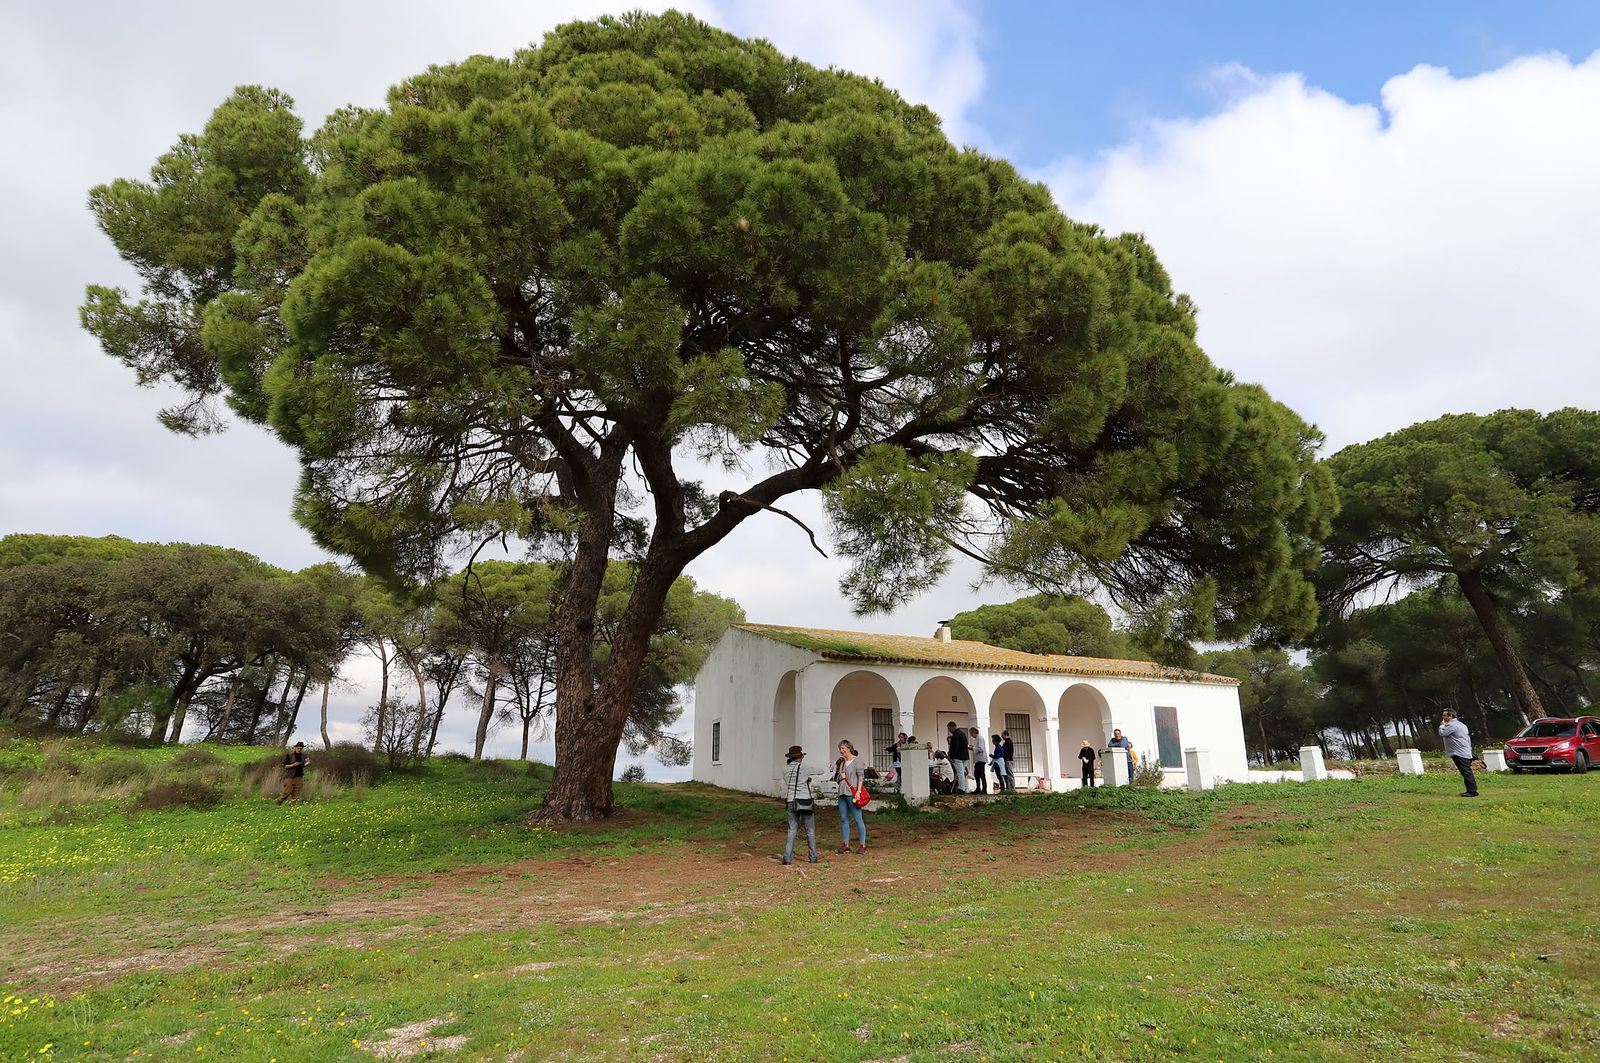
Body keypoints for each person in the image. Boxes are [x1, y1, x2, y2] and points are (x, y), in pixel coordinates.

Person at [781, 744, 818, 864]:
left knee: (791, 830)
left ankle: (787, 858)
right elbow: (820, 771)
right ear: (799, 757)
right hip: (804, 801)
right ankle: (813, 857)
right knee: (810, 831)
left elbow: (790, 781)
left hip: (791, 800)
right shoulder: (804, 768)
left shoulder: (784, 769)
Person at [833, 740, 868, 853]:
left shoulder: (857, 761)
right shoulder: (842, 762)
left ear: (849, 748)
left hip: (852, 793)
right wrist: (840, 777)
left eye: (843, 748)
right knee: (844, 819)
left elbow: (861, 777)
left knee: (858, 818)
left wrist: (858, 791)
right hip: (842, 793)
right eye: (840, 748)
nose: (841, 751)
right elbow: (838, 778)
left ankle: (862, 844)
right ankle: (845, 844)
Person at [1439, 709, 1479, 797]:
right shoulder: (1462, 725)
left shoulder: (1451, 725)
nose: (1443, 717)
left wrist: (1442, 726)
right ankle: (1471, 790)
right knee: (1466, 772)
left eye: (1444, 715)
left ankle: (1472, 791)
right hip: (1465, 751)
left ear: (1450, 716)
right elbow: (1467, 739)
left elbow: (1442, 733)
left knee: (1466, 772)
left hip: (1458, 753)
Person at [946, 721, 970, 793]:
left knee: (960, 772)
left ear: (952, 727)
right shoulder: (962, 734)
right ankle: (965, 787)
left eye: (949, 728)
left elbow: (954, 747)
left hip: (958, 757)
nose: (949, 730)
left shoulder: (956, 735)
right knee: (963, 772)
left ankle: (961, 788)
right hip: (965, 756)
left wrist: (952, 756)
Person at [968, 727, 989, 794]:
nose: (971, 735)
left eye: (971, 733)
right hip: (978, 760)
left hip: (981, 759)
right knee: (976, 774)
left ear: (974, 732)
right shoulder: (977, 739)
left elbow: (980, 749)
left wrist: (972, 748)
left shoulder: (980, 738)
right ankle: (978, 788)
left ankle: (984, 789)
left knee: (981, 774)